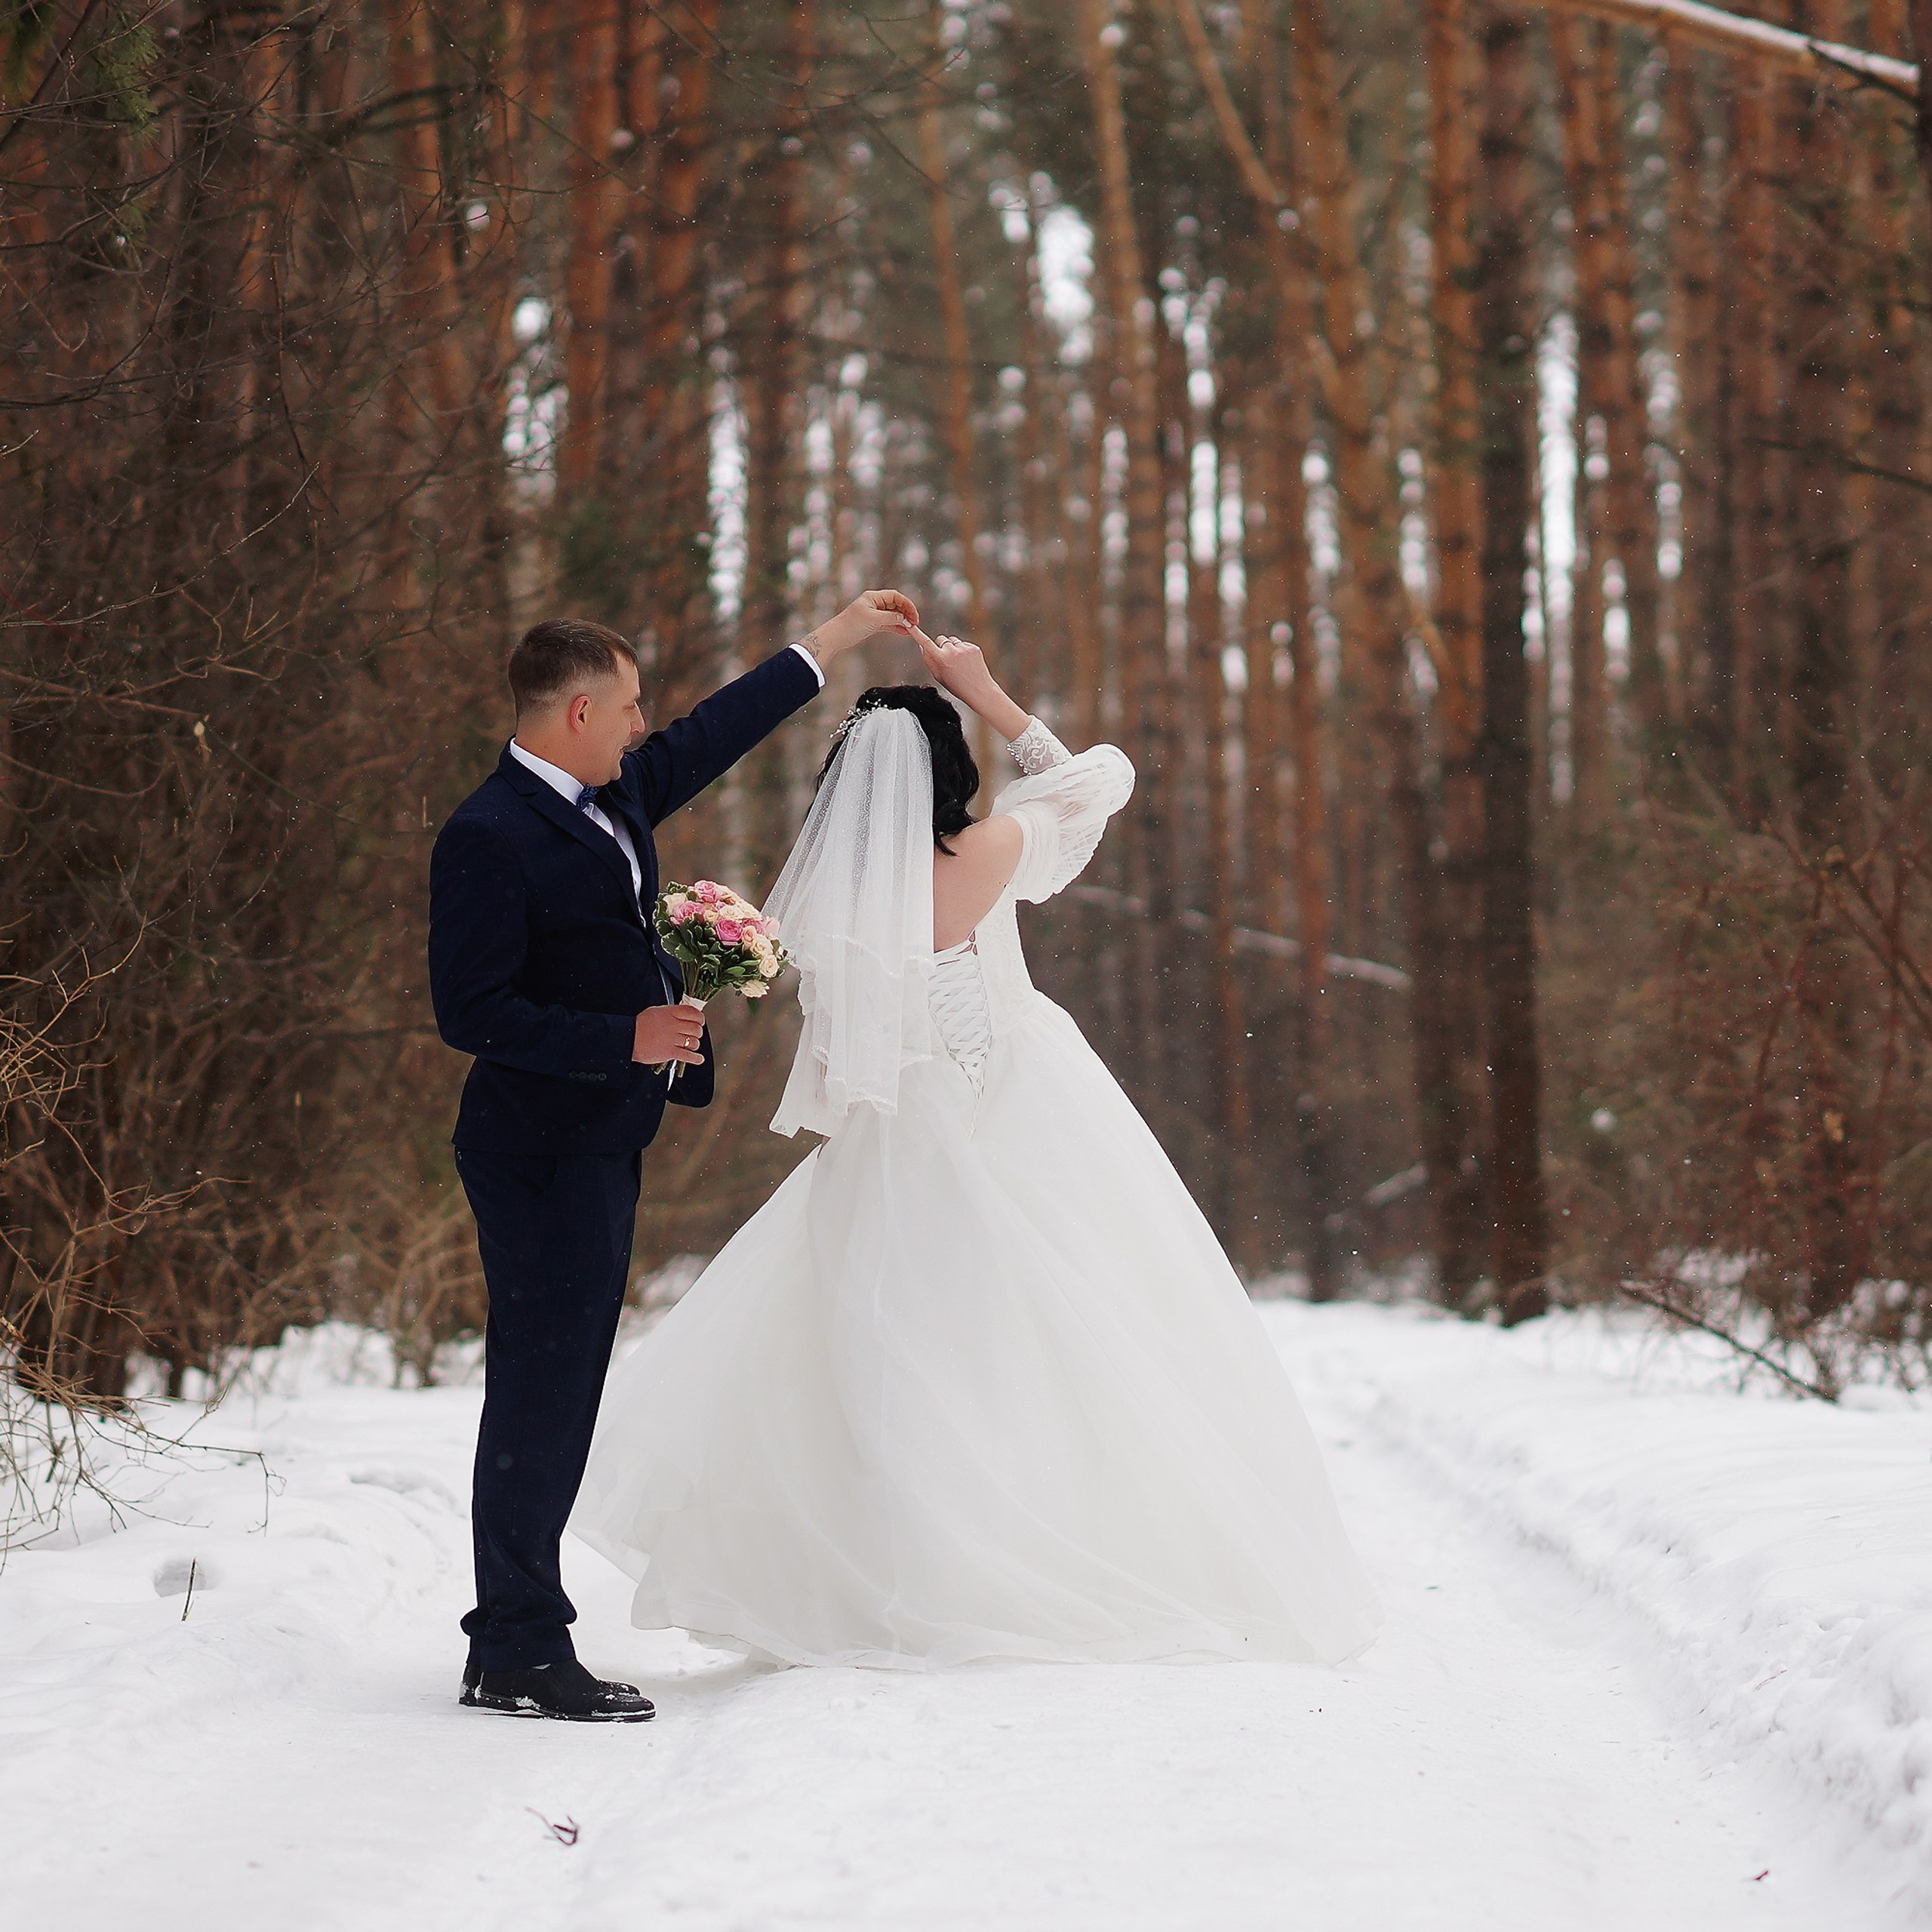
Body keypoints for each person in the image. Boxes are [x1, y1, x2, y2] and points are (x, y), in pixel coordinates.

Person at [572, 632, 1383, 1669]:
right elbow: (1102, 784)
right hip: (1018, 1103)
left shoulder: (827, 902)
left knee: (890, 1348)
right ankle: (1050, 1545)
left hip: (889, 1130)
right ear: (949, 769)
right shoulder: (992, 851)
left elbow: (818, 1019)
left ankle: (900, 1573)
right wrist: (988, 692)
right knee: (1064, 1331)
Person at [429, 589, 918, 1721]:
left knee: (561, 1388)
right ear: (579, 712)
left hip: (598, 1140)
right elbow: (471, 1010)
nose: (645, 723)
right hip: (534, 1150)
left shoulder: (613, 795)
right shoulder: (488, 833)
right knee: (542, 1394)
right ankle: (516, 1647)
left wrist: (836, 639)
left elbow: (714, 731)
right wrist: (625, 1038)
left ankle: (511, 1633)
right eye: (631, 706)